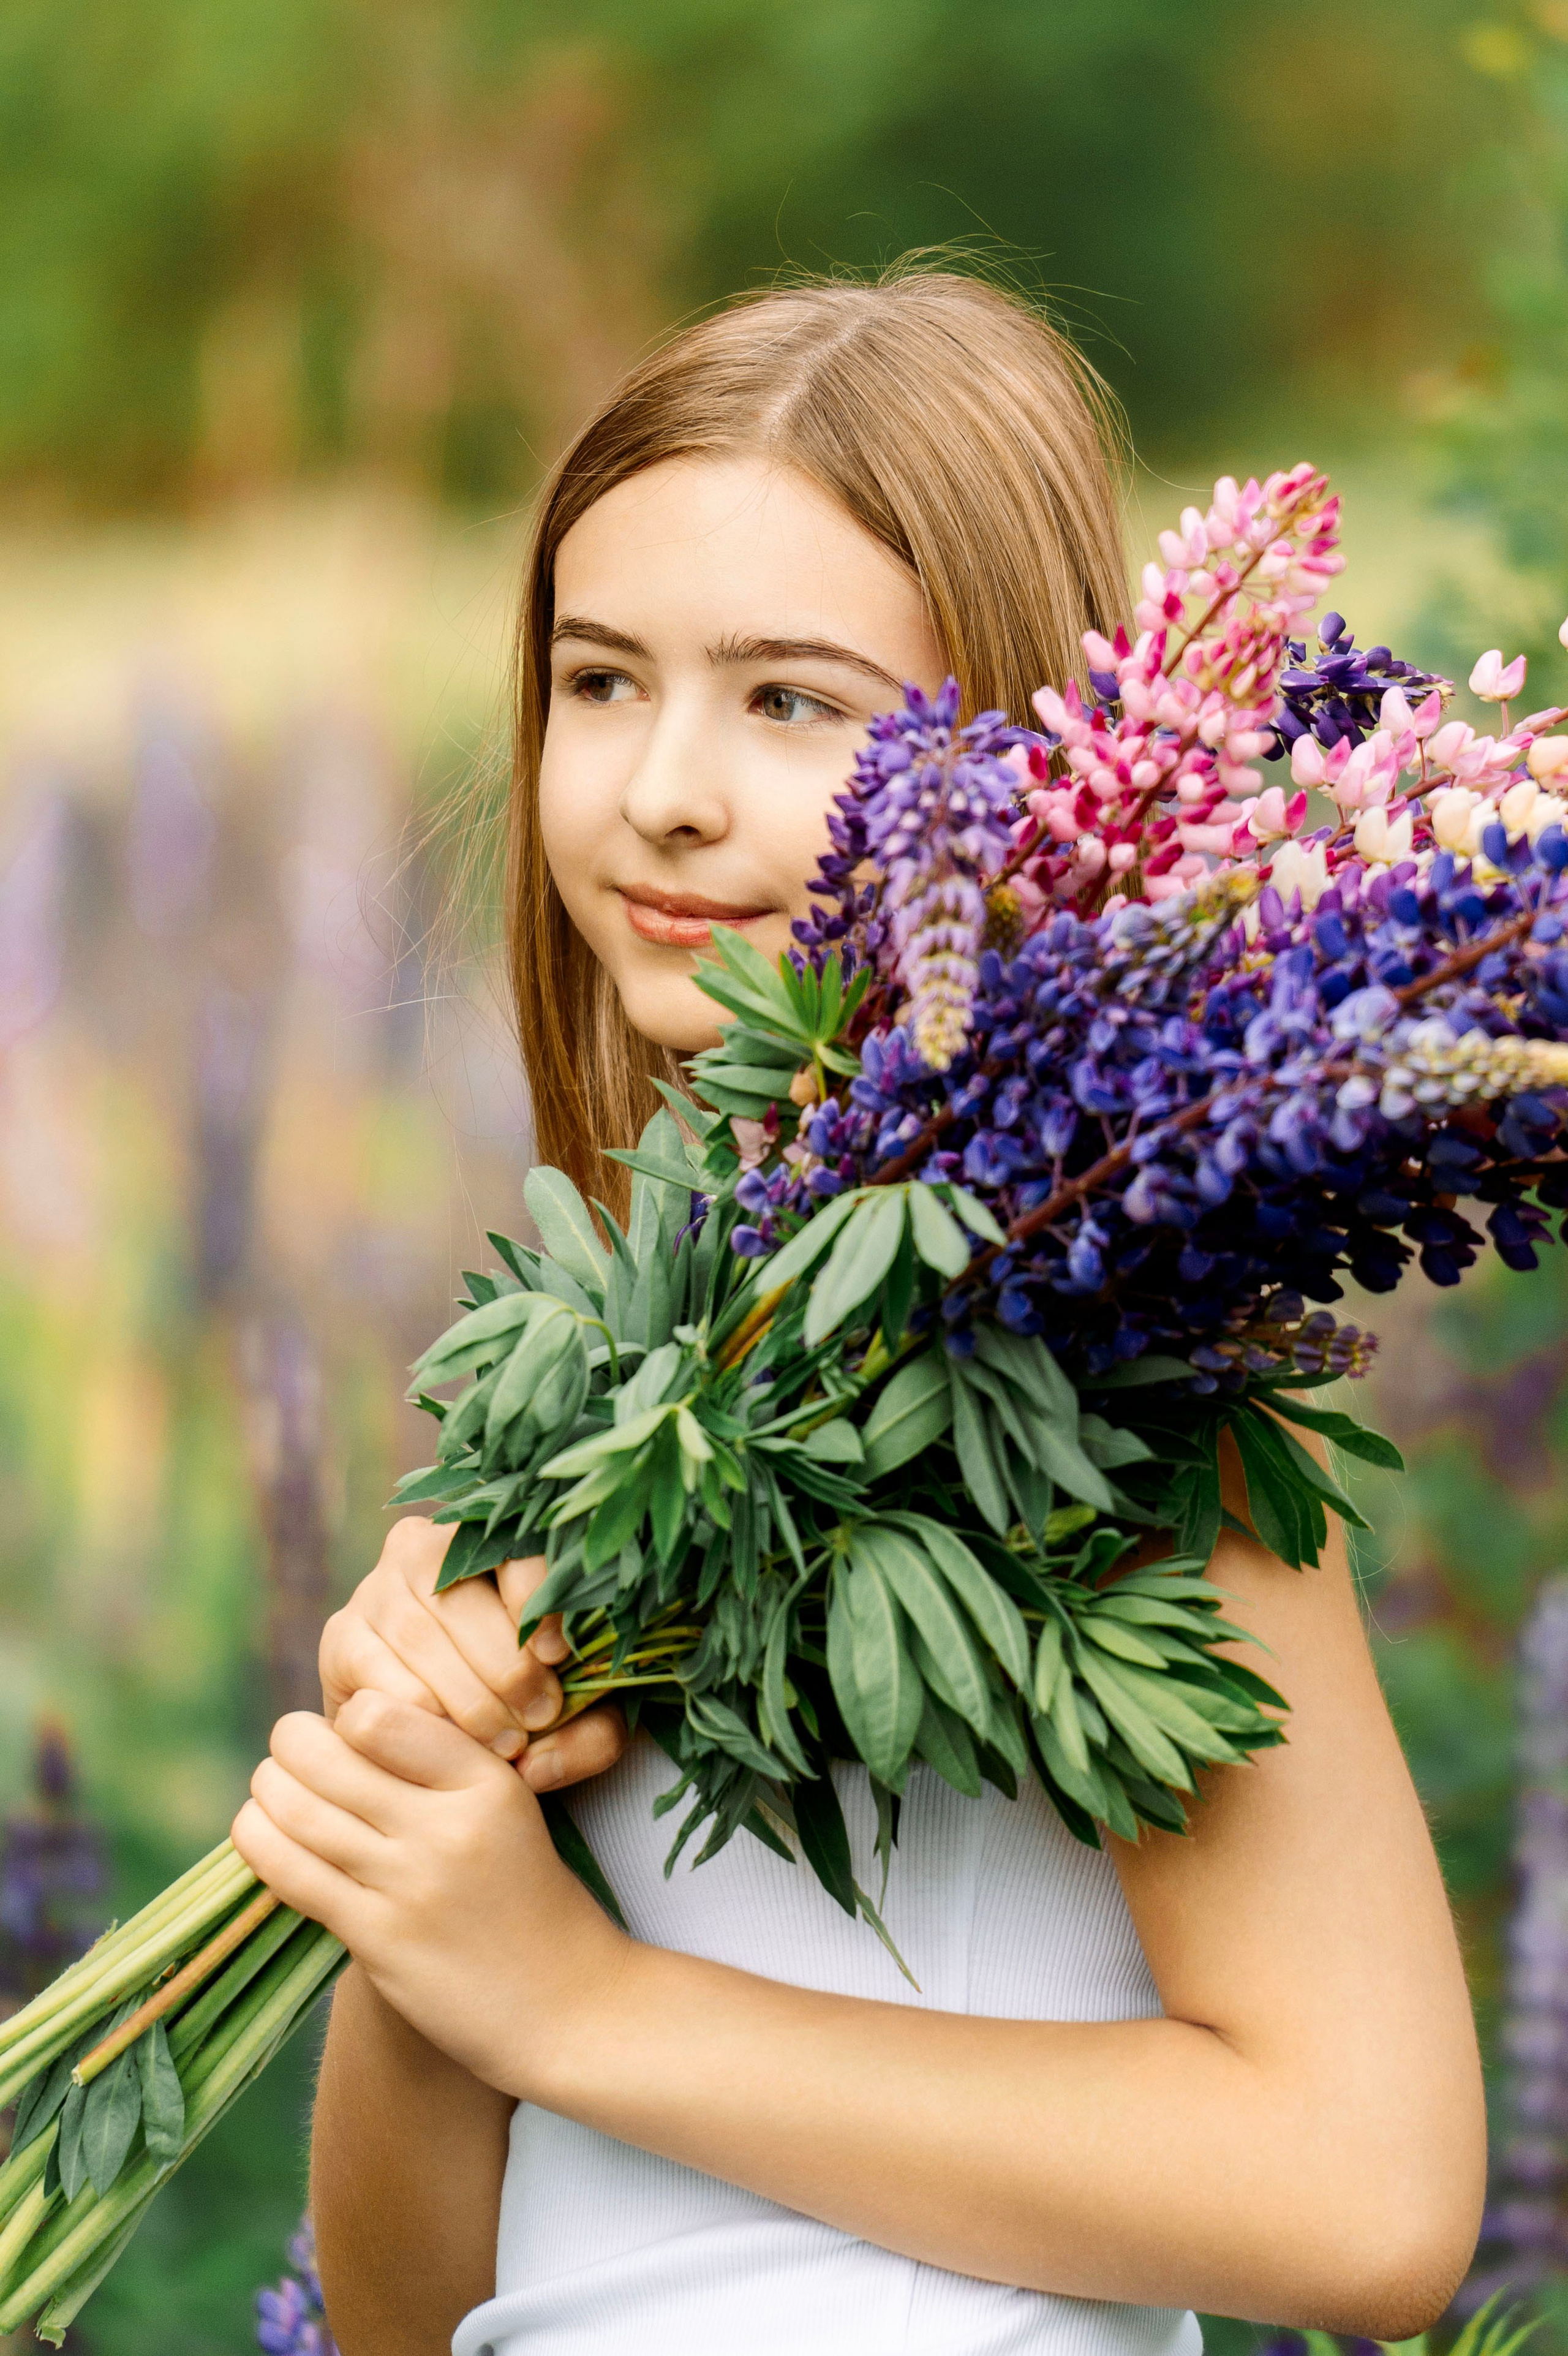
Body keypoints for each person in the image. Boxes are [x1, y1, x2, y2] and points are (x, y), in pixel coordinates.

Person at [230, 268, 1487, 2356]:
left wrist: (581, 1995)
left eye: (792, 702)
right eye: (605, 679)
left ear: (1020, 771)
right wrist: (428, 1888)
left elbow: (1366, 2190)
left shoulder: (1115, 1353)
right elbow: (407, 2314)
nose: (662, 791)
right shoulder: (628, 1380)